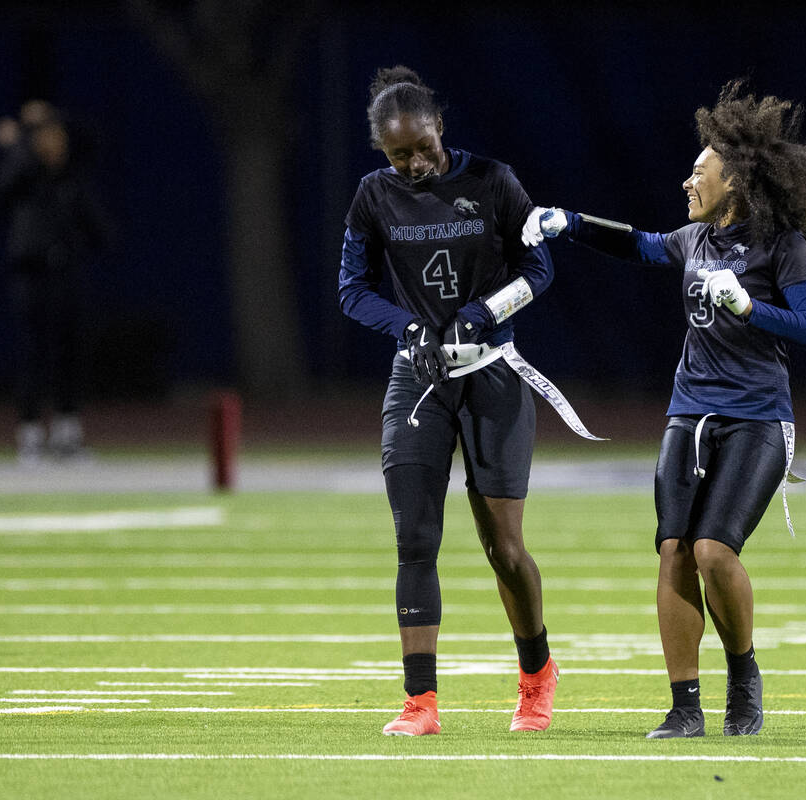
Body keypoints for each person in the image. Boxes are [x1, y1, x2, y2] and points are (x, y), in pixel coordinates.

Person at [523, 79, 806, 738]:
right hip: (688, 416)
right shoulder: (693, 241)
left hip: (757, 418)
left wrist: (751, 306)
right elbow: (641, 243)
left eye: (700, 172)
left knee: (714, 552)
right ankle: (684, 706)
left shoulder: (781, 244)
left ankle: (744, 674)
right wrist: (570, 223)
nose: (687, 182)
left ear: (737, 180)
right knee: (673, 551)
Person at [337, 66, 560, 736]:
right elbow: (352, 289)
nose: (413, 164)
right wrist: (407, 329)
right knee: (414, 541)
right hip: (418, 381)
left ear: (441, 128)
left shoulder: (494, 180)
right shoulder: (372, 196)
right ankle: (420, 703)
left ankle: (536, 675)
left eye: (422, 147)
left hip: (492, 374)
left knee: (504, 548)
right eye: (398, 154)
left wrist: (481, 313)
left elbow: (539, 267)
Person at [0, 100, 106, 464]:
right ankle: (29, 435)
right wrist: (21, 143)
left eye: (57, 136)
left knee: (70, 354)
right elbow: (5, 184)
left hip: (66, 274)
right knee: (33, 354)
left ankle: (66, 434)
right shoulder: (25, 177)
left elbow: (91, 137)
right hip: (32, 275)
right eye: (45, 137)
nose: (54, 144)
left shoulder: (72, 178)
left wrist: (49, 116)